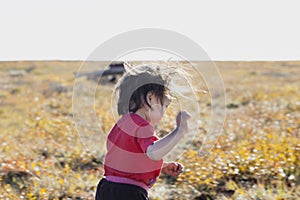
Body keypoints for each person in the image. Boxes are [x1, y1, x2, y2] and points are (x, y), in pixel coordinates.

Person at [95, 64, 191, 200]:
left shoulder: (122, 124)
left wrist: (161, 166)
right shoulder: (142, 126)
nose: (164, 112)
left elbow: (127, 159)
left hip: (106, 188)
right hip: (129, 193)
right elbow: (153, 152)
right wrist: (179, 131)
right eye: (165, 105)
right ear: (151, 98)